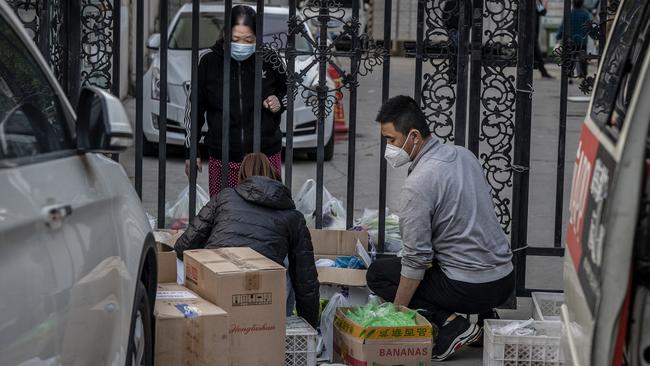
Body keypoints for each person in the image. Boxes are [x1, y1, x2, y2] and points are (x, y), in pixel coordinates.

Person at [367, 96, 514, 361]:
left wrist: (397, 313)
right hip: (504, 281)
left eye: (391, 140)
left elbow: (416, 260)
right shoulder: (464, 155)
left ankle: (452, 325)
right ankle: (482, 323)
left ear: (413, 136)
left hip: (469, 288)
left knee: (378, 274)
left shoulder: (419, 184)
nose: (388, 148)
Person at [174, 153, 319, 327]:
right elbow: (306, 280)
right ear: (274, 175)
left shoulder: (224, 197)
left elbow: (183, 246)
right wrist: (310, 325)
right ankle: (282, 324)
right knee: (290, 263)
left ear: (242, 176)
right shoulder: (293, 217)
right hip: (263, 295)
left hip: (215, 284)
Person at [184, 5, 287, 197]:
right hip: (223, 157)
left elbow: (289, 89)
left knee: (266, 214)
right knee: (226, 214)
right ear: (225, 35)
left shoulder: (270, 58)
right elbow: (194, 108)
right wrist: (192, 150)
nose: (242, 44)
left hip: (264, 157)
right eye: (235, 39)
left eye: (248, 40)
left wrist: (279, 102)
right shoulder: (208, 61)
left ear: (257, 37)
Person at [556, 0, 592, 78]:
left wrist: (558, 36)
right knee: (582, 58)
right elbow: (589, 27)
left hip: (570, 41)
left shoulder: (570, 13)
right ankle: (583, 74)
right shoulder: (586, 14)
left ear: (572, 3)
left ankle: (569, 73)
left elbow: (563, 26)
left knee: (570, 57)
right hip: (582, 41)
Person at [534, 0, 553, 78]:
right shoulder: (536, 2)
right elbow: (543, 11)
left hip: (527, 31)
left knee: (534, 52)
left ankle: (543, 71)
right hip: (532, 31)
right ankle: (543, 71)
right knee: (537, 53)